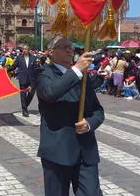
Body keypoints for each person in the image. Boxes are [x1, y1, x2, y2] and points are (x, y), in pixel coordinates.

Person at [36, 36, 104, 196]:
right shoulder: (42, 74)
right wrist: (76, 71)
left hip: (85, 151)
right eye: (63, 47)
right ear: (50, 52)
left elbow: (98, 111)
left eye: (71, 47)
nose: (69, 50)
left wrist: (89, 123)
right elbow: (50, 93)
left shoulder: (83, 77)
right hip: (58, 150)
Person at [7, 45, 39, 117]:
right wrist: (6, 70)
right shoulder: (19, 58)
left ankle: (25, 105)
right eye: (23, 49)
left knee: (31, 94)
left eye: (26, 49)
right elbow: (14, 66)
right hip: (23, 79)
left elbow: (36, 69)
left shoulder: (34, 58)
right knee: (23, 95)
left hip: (31, 79)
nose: (24, 50)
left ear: (29, 50)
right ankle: (24, 110)